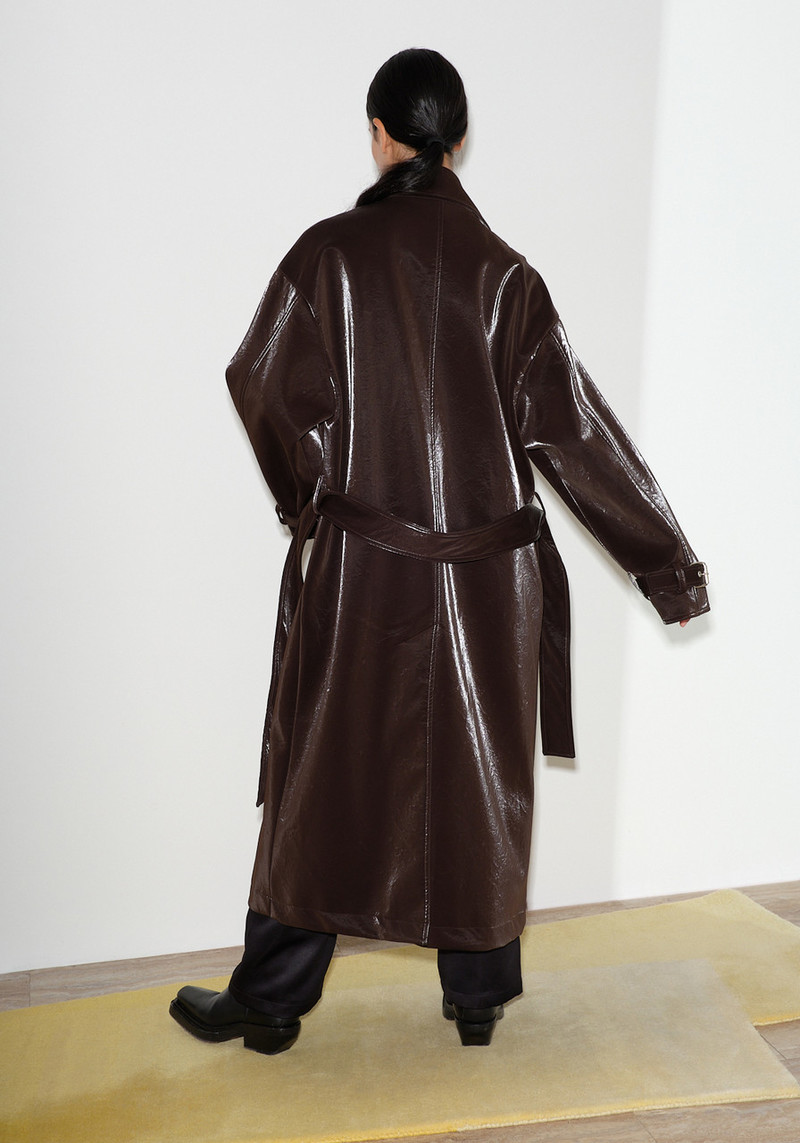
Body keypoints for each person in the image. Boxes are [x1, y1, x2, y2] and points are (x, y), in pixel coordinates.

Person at [169, 48, 709, 1055]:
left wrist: (307, 497)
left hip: (361, 569)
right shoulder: (507, 276)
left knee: (321, 776)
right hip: (488, 578)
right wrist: (666, 565)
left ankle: (272, 1000)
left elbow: (260, 380)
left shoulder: (327, 256)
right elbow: (578, 434)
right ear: (455, 139)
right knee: (474, 781)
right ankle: (477, 997)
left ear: (380, 135)